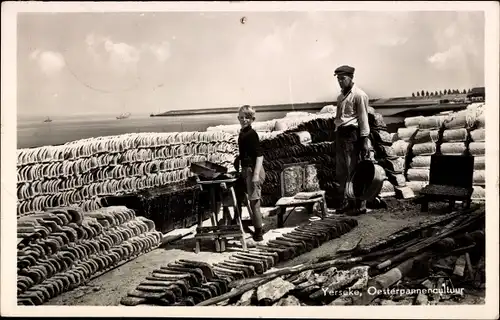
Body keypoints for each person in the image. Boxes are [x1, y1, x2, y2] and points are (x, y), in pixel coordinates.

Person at [333, 65, 372, 216]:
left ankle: (360, 204)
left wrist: (365, 140)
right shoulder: (340, 97)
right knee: (342, 172)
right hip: (341, 135)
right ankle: (347, 202)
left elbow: (363, 119)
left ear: (351, 78)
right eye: (338, 79)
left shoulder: (359, 95)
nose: (340, 82)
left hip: (352, 135)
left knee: (354, 171)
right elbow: (339, 119)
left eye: (343, 79)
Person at [233, 105, 266, 242]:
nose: (243, 120)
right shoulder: (242, 133)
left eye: (247, 117)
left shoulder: (252, 134)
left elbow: (259, 156)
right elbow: (246, 152)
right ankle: (237, 225)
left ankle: (259, 232)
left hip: (253, 170)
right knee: (239, 196)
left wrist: (256, 175)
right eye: (241, 117)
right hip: (246, 170)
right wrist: (238, 159)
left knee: (254, 203)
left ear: (252, 119)